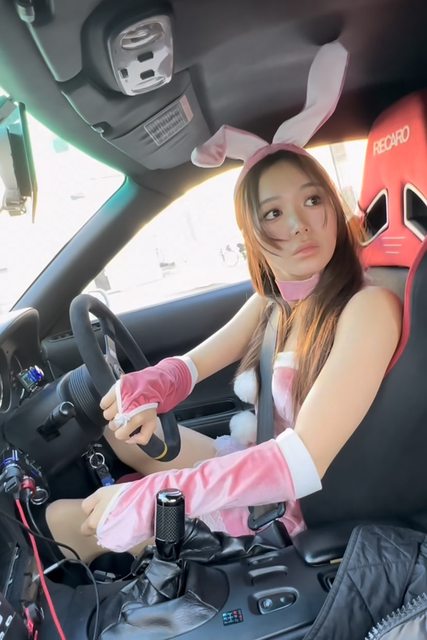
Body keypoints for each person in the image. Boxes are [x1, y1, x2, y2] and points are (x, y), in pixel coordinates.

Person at [45, 42, 402, 562]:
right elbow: (193, 366)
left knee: (69, 519)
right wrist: (154, 384)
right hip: (251, 457)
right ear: (250, 233)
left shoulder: (368, 308)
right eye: (273, 212)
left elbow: (301, 461)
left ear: (333, 203)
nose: (299, 224)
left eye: (312, 200)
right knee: (121, 435)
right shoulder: (274, 300)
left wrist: (155, 498)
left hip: (284, 503)